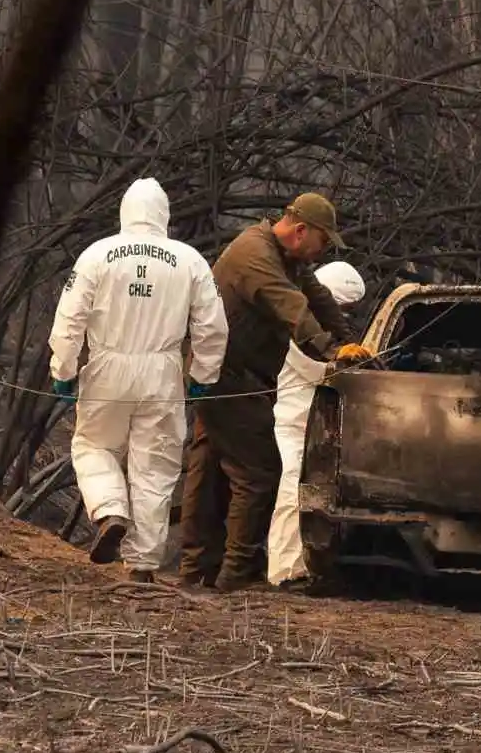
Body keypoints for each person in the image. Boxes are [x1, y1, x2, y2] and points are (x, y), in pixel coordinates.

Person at [177, 194, 375, 592]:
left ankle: (197, 569)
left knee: (211, 465)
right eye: (323, 242)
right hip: (225, 376)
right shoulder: (255, 254)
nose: (322, 253)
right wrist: (331, 351)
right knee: (260, 471)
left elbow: (317, 297)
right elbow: (292, 308)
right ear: (301, 231)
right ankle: (235, 574)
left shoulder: (290, 258)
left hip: (235, 375)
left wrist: (352, 341)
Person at [48, 177, 228, 583]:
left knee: (94, 445)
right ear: (164, 215)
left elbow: (70, 317)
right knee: (156, 465)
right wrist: (202, 374)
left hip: (107, 367)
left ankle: (111, 510)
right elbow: (213, 326)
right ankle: (143, 565)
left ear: (125, 212)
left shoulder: (97, 254)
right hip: (162, 373)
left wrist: (64, 369)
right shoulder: (190, 260)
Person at [267, 260, 366, 591]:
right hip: (290, 426)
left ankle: (303, 568)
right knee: (290, 496)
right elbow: (321, 371)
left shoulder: (323, 331)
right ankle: (284, 572)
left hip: (313, 431)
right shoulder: (299, 330)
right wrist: (350, 362)